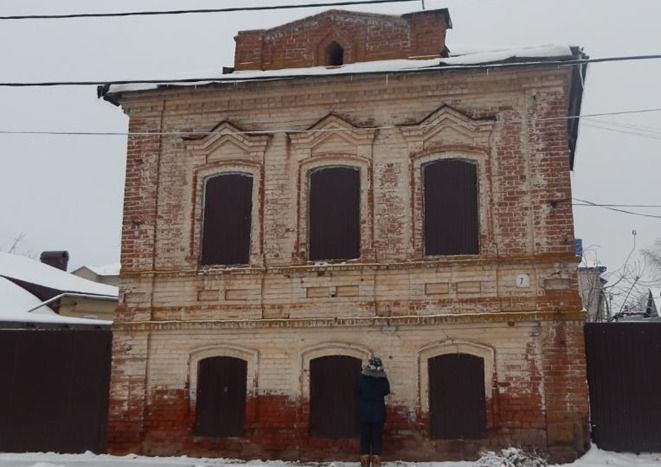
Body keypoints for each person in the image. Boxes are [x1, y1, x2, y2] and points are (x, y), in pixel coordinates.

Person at [355, 356, 390, 467]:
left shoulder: (362, 379)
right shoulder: (382, 380)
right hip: (378, 414)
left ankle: (364, 462)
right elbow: (386, 391)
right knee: (377, 439)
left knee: (365, 438)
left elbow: (357, 390)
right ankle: (376, 462)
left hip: (364, 414)